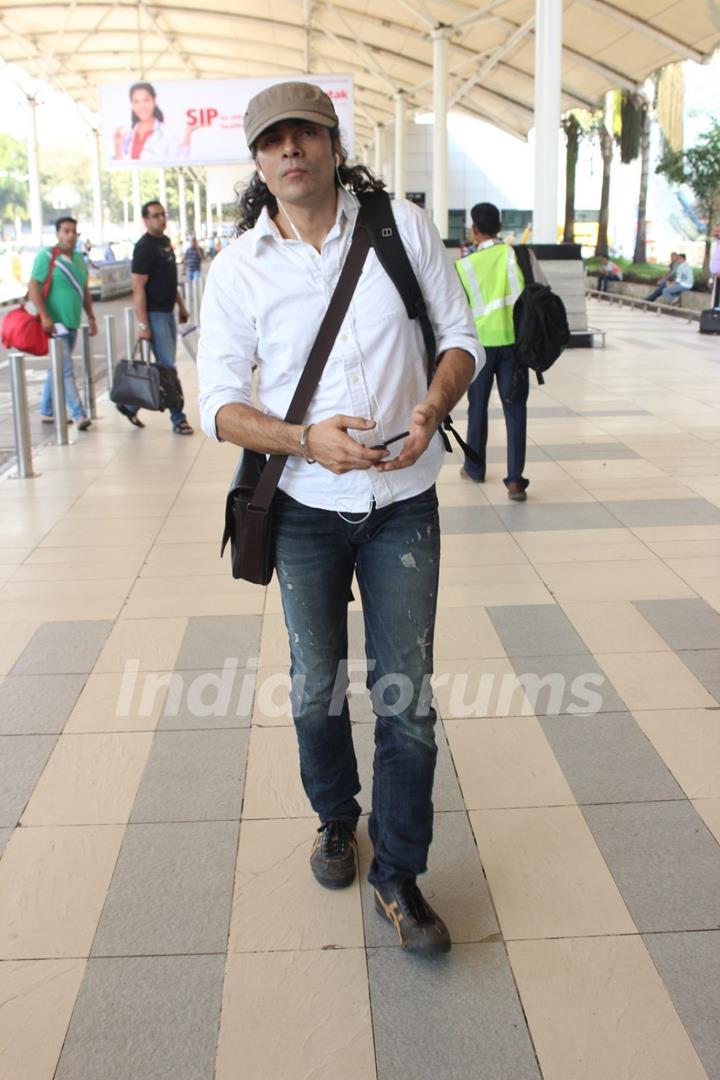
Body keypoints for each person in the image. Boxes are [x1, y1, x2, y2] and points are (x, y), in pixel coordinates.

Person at [197, 81, 481, 956]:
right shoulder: (239, 268)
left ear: (331, 143)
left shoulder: (399, 226)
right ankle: (334, 819)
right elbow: (217, 406)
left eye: (306, 135)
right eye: (273, 141)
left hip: (402, 501)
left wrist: (433, 406)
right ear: (257, 161)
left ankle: (399, 873)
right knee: (317, 683)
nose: (292, 151)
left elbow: (461, 336)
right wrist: (303, 441)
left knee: (407, 699)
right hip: (304, 510)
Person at [455, 202, 528, 501]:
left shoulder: (465, 265)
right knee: (515, 410)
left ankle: (475, 467)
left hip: (481, 347)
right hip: (514, 345)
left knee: (477, 407)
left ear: (474, 230)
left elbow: (458, 310)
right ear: (499, 227)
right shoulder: (516, 254)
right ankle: (514, 482)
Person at [118, 200, 193, 434]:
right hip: (154, 316)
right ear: (146, 220)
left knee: (163, 367)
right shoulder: (144, 247)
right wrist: (143, 324)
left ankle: (129, 404)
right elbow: (138, 287)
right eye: (155, 216)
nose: (161, 219)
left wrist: (180, 305)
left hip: (168, 312)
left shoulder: (165, 243)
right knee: (167, 367)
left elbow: (170, 281)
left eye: (163, 215)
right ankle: (178, 418)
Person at [28, 215, 96, 431]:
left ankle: (47, 410)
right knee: (66, 368)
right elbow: (33, 287)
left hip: (73, 322)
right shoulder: (46, 257)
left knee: (56, 367)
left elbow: (84, 289)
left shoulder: (78, 259)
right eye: (65, 231)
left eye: (73, 231)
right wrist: (45, 316)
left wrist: (91, 316)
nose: (70, 235)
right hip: (55, 325)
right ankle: (79, 414)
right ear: (57, 234)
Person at [112, 82, 203, 163]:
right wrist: (117, 145)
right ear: (132, 104)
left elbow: (179, 160)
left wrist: (188, 134)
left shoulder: (166, 132)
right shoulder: (128, 135)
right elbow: (121, 166)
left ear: (154, 101)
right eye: (136, 102)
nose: (142, 106)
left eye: (146, 100)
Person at [710, 226, 720, 308]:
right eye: (715, 231)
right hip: (715, 276)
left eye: (718, 231)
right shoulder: (716, 244)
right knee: (715, 298)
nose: (716, 233)